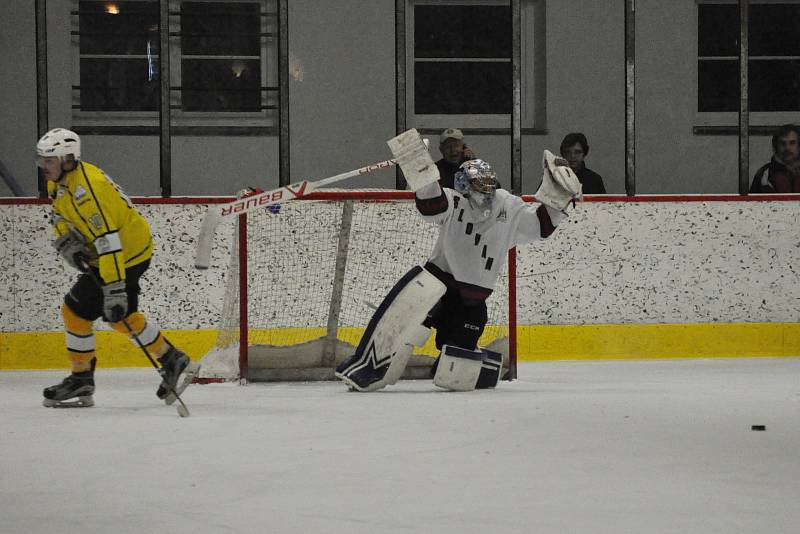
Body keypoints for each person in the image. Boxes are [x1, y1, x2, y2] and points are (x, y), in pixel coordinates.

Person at [337, 143, 581, 392]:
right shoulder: (453, 201)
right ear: (463, 185)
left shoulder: (509, 206)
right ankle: (367, 367)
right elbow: (431, 205)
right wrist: (419, 166)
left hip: (472, 302)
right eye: (479, 185)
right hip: (435, 289)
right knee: (403, 331)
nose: (486, 191)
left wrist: (558, 196)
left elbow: (540, 227)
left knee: (452, 372)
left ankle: (482, 366)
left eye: (488, 184)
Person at [36, 128, 200, 408]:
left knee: (104, 311)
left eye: (49, 160)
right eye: (42, 160)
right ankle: (168, 358)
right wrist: (66, 239)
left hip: (127, 254)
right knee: (95, 314)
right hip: (109, 254)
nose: (43, 167)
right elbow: (58, 212)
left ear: (67, 159)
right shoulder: (59, 181)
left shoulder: (88, 191)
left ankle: (85, 378)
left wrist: (114, 290)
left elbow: (109, 242)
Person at [750, 124, 800, 193]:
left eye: (792, 143)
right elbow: (752, 202)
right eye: (783, 143)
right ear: (776, 146)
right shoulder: (764, 174)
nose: (787, 148)